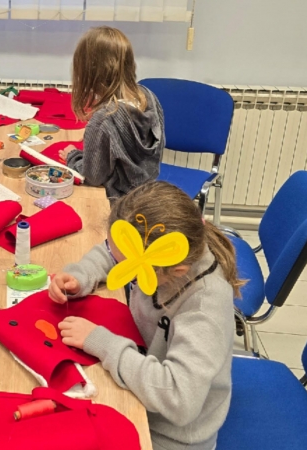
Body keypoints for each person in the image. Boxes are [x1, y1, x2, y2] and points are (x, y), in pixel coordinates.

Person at [49, 182, 242, 450]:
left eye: (131, 269)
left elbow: (179, 399)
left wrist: (103, 342)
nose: (122, 267)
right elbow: (111, 252)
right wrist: (81, 275)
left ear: (176, 272)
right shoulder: (169, 256)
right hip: (142, 382)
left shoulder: (204, 309)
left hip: (170, 435)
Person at [59, 26, 165, 198]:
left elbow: (93, 177)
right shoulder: (149, 98)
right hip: (144, 195)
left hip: (114, 201)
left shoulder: (104, 119)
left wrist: (73, 156)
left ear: (88, 71)